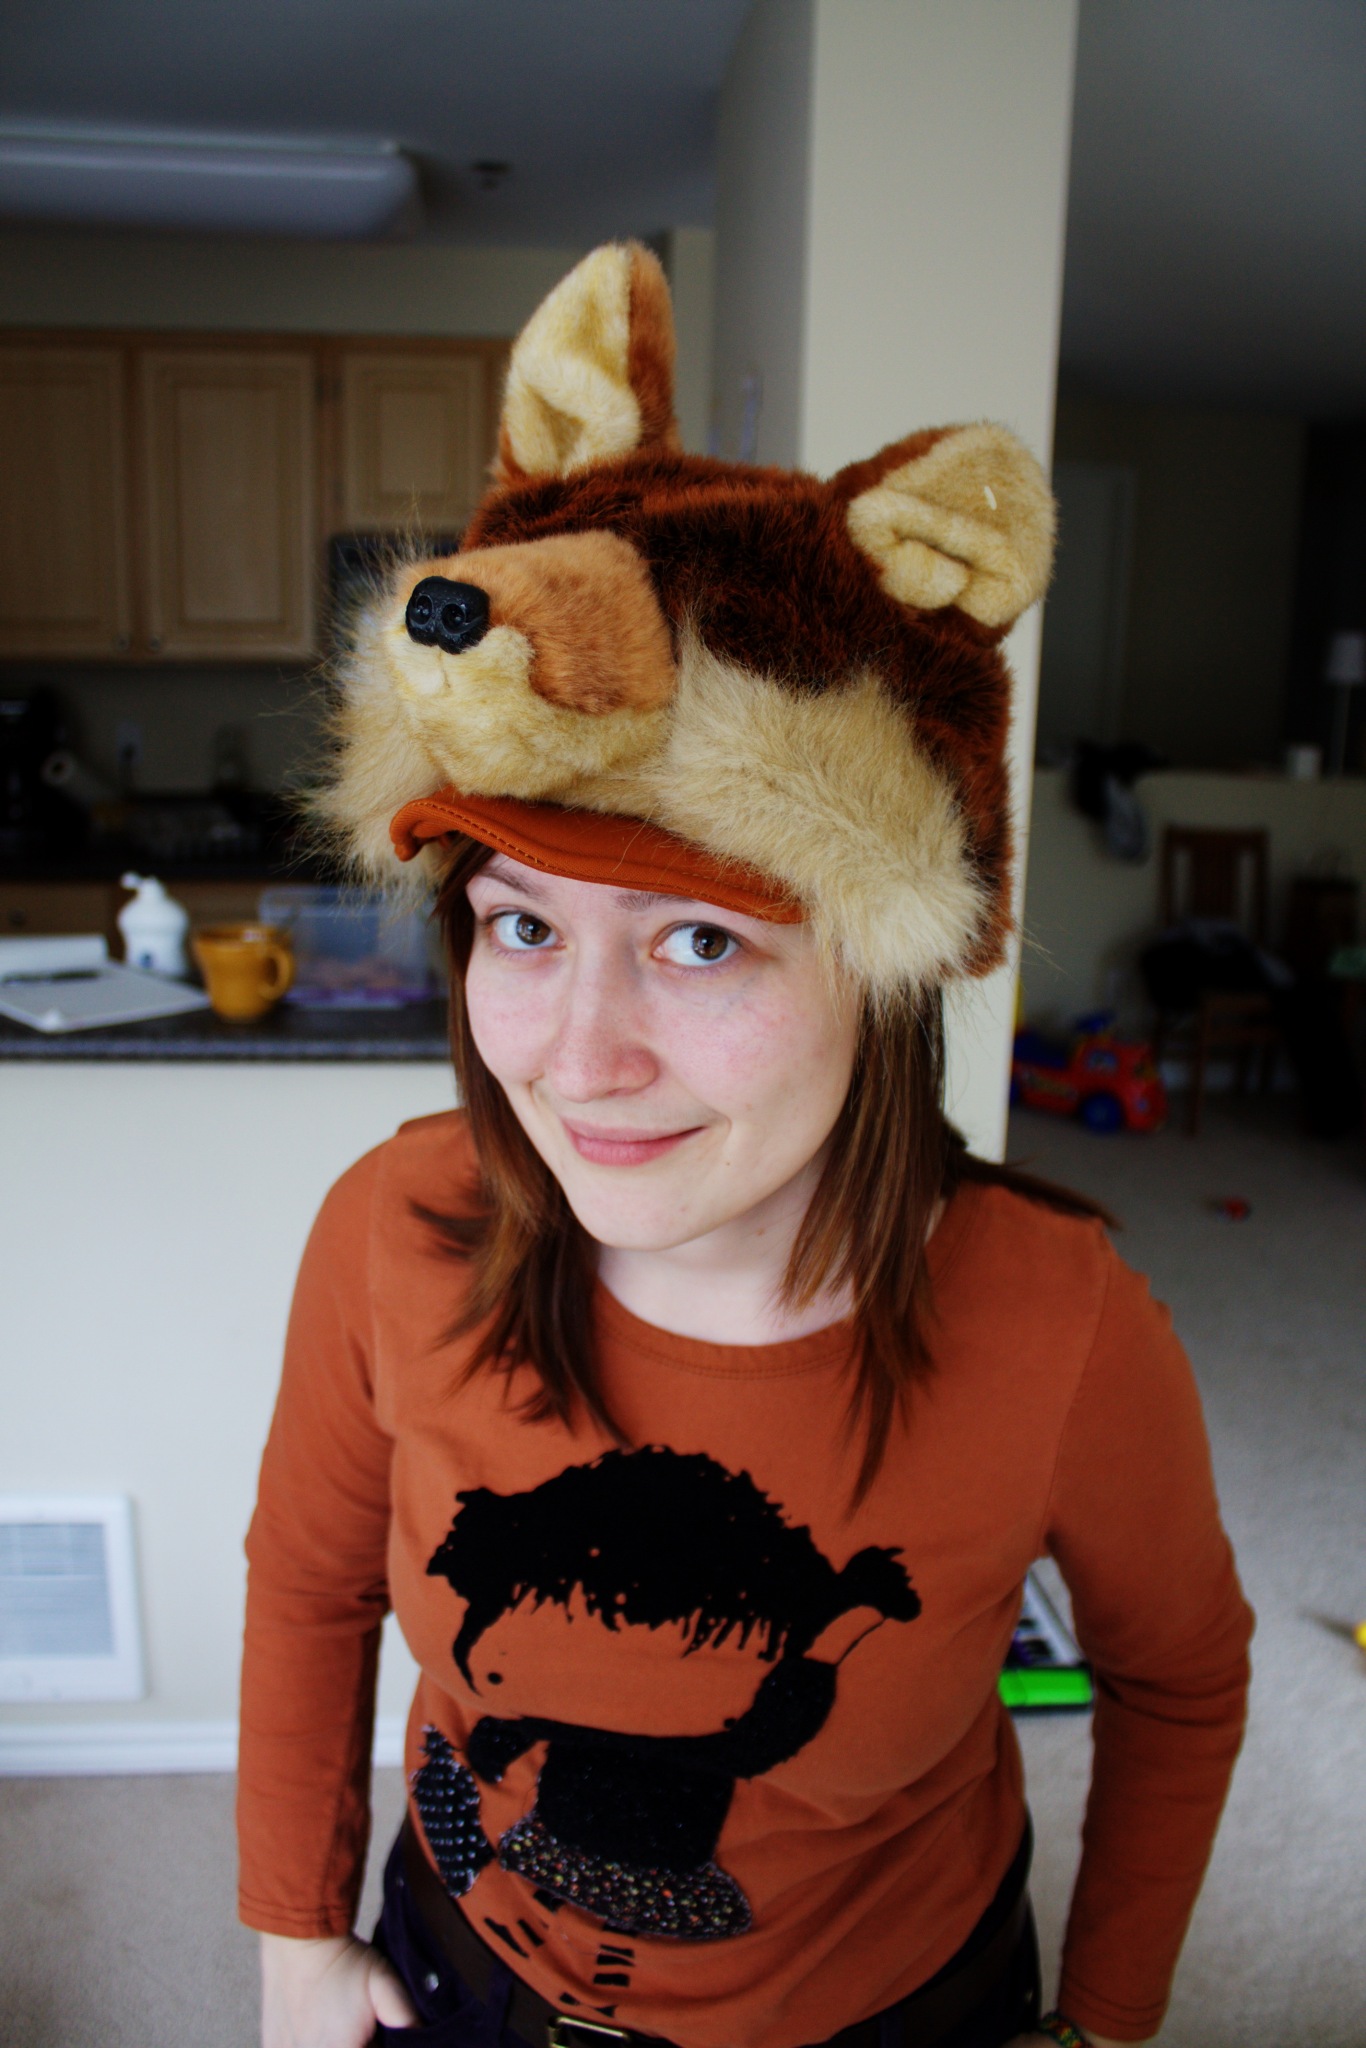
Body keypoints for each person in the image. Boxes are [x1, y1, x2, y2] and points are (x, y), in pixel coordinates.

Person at [238, 245, 1253, 2048]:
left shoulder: (1059, 1322)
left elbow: (1177, 1683)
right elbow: (313, 1589)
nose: (576, 1059)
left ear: (883, 971)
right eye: (522, 924)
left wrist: (1105, 2022)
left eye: (701, 940)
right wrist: (295, 1942)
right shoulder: (394, 1227)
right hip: (461, 1980)